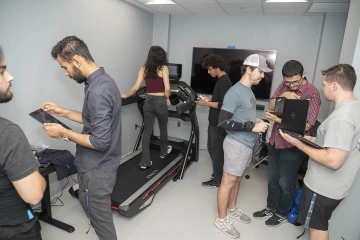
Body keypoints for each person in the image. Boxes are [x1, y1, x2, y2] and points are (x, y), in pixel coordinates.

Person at [41, 36, 121, 240]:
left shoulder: (98, 91)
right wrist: (63, 112)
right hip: (93, 166)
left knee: (102, 225)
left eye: (65, 67)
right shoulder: (101, 81)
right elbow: (91, 120)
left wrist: (64, 133)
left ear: (76, 60)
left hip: (98, 169)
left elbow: (100, 142)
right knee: (90, 209)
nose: (66, 73)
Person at [280, 64, 360, 240]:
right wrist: (310, 139)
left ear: (334, 86)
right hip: (338, 186)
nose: (322, 88)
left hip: (323, 187)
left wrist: (297, 144)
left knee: (317, 229)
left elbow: (333, 160)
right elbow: (337, 144)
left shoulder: (342, 118)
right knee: (320, 224)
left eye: (324, 84)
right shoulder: (355, 108)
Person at [253, 60, 321, 227]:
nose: (291, 85)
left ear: (303, 75)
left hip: (292, 144)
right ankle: (271, 207)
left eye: (295, 82)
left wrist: (277, 119)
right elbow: (271, 104)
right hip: (275, 140)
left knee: (286, 181)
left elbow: (307, 125)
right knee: (272, 178)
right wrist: (283, 96)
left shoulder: (312, 93)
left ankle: (282, 212)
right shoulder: (284, 86)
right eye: (287, 82)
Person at [214, 54, 272, 238]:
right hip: (236, 144)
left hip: (247, 144)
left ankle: (231, 208)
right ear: (248, 69)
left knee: (237, 179)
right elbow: (222, 122)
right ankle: (221, 219)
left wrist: (253, 120)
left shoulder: (249, 91)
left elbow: (242, 114)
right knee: (228, 182)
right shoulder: (234, 92)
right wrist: (251, 126)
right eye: (260, 72)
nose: (262, 76)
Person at [0, 46, 46, 240]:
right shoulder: (8, 132)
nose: (10, 77)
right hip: (15, 229)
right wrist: (33, 169)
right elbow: (34, 195)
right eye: (2, 71)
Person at [122, 46, 172, 169]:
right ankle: (163, 152)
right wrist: (167, 98)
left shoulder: (143, 69)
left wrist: (126, 95)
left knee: (147, 131)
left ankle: (145, 162)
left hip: (148, 101)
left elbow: (135, 87)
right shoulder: (163, 68)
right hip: (160, 101)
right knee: (163, 128)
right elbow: (168, 89)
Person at [195, 54, 232, 188]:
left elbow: (223, 105)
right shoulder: (222, 80)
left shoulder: (223, 81)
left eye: (210, 69)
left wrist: (206, 104)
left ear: (217, 67)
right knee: (212, 149)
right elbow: (221, 101)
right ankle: (219, 174)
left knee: (216, 152)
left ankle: (218, 180)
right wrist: (210, 100)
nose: (209, 72)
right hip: (215, 122)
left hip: (218, 123)